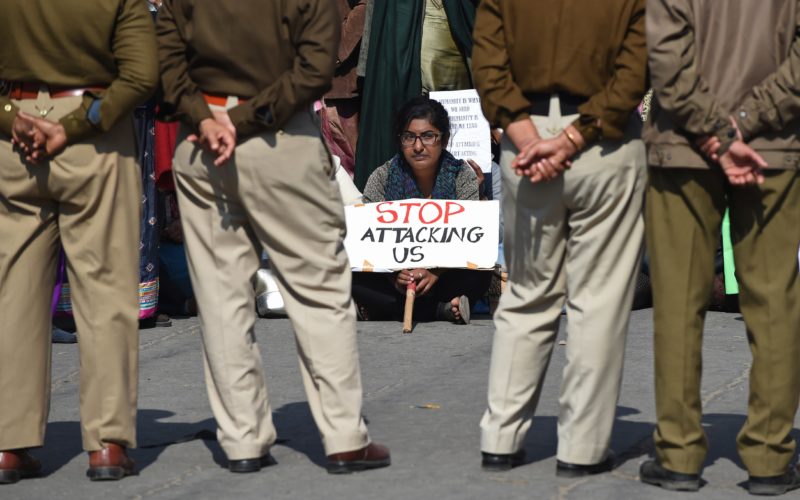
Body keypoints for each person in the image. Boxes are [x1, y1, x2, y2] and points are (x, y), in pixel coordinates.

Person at [156, 0, 390, 474]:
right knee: (319, 290)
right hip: (281, 141)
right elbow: (315, 67)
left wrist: (205, 117)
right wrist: (237, 121)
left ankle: (242, 438)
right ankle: (344, 436)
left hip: (202, 141)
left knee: (222, 298)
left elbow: (164, 57)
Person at [473, 0, 648, 476]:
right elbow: (637, 69)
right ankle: (582, 448)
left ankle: (501, 438)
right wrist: (571, 139)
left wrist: (524, 134)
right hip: (602, 143)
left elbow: (487, 61)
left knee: (528, 293)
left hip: (524, 136)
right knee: (599, 301)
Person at [640, 1, 800, 494]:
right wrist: (746, 122)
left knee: (677, 306)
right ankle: (770, 460)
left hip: (684, 147)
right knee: (774, 304)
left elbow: (666, 59)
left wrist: (717, 132)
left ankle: (680, 454)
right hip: (771, 147)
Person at [0, 0, 158, 484]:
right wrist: (71, 125)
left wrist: (12, 117)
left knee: (14, 298)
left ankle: (8, 445)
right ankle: (107, 445)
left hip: (17, 132)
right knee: (105, 291)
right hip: (93, 135)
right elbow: (141, 76)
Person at [354, 96, 492, 324]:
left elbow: (470, 243)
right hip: (394, 282)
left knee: (480, 272)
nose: (418, 147)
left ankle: (387, 311)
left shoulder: (462, 176)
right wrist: (393, 276)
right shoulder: (381, 177)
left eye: (428, 136)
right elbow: (369, 244)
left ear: (444, 139)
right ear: (400, 141)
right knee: (353, 276)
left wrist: (435, 273)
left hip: (443, 277)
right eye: (409, 137)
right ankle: (442, 311)